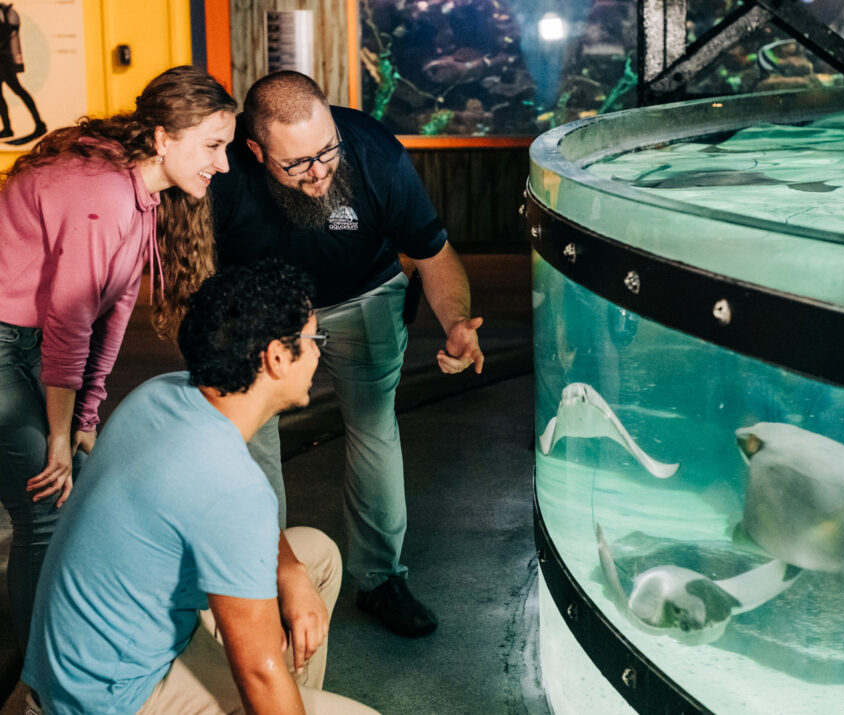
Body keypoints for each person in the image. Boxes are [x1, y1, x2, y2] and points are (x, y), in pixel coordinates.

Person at [22, 259, 378, 715]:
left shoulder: (164, 394)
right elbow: (258, 669)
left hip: (83, 662)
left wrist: (288, 572)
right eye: (314, 340)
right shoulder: (229, 482)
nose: (319, 354)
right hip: (107, 699)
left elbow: (226, 514)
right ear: (275, 357)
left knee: (316, 555)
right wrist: (267, 679)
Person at [210, 70, 484, 637]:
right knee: (252, 441)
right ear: (256, 149)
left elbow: (432, 254)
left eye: (326, 151)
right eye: (297, 164)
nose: (319, 173)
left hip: (365, 294)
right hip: (263, 309)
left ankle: (381, 580)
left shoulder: (375, 154)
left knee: (374, 427)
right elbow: (195, 270)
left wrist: (456, 322)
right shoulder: (220, 169)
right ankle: (265, 579)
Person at [0, 65, 236, 654]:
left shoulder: (143, 194)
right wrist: (59, 431)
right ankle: (39, 682)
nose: (223, 163)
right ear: (162, 138)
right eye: (213, 145)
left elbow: (117, 308)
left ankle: (59, 650)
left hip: (30, 343)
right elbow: (70, 319)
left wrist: (85, 417)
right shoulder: (101, 193)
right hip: (6, 341)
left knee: (67, 499)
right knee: (47, 507)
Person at [0, 3, 45, 143]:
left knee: (17, 89)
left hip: (4, 58)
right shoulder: (10, 13)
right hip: (5, 57)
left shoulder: (8, 14)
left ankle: (38, 123)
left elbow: (12, 37)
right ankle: (8, 128)